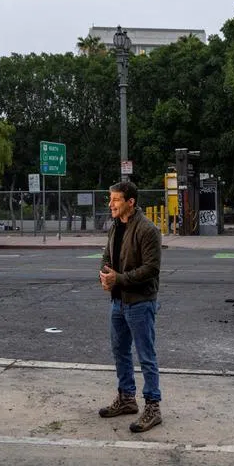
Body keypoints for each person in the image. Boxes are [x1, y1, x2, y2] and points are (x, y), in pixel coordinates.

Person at [97, 181, 164, 433]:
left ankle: (153, 407)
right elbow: (106, 257)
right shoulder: (115, 227)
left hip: (140, 302)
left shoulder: (147, 230)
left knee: (146, 356)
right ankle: (126, 398)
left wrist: (119, 279)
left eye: (115, 199)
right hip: (117, 302)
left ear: (130, 202)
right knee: (120, 351)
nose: (111, 204)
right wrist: (104, 276)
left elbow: (151, 269)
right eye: (110, 199)